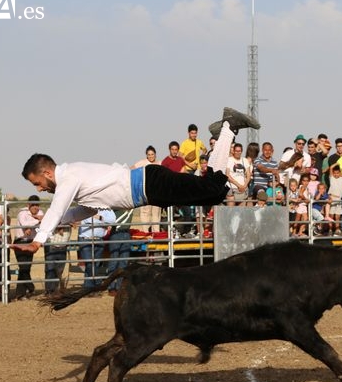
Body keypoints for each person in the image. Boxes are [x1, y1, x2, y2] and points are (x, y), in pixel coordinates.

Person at [14, 107, 261, 255]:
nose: (38, 189)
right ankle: (224, 131)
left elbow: (58, 207)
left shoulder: (68, 178)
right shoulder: (74, 180)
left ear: (47, 173)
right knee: (215, 193)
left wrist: (38, 240)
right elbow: (85, 209)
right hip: (149, 188)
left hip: (150, 184)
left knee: (214, 189)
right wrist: (51, 223)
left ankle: (228, 127)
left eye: (37, 183)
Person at [14, 195, 44, 299]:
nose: (35, 207)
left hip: (31, 243)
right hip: (20, 241)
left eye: (37, 205)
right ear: (28, 205)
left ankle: (20, 293)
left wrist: (38, 221)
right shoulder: (22, 213)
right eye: (33, 205)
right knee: (24, 267)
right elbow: (24, 223)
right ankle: (31, 287)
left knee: (26, 267)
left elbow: (44, 224)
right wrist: (38, 221)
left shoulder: (40, 213)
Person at [78, 209, 115, 291]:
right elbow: (89, 220)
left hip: (99, 240)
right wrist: (104, 223)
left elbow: (112, 220)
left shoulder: (107, 209)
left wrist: (99, 217)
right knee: (90, 264)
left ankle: (90, 288)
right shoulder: (86, 208)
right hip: (86, 239)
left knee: (96, 264)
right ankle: (96, 284)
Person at [131, 146, 162, 234]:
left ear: (155, 155)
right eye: (149, 155)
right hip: (145, 191)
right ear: (146, 156)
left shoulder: (160, 163)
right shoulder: (142, 162)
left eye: (152, 154)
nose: (151, 156)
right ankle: (145, 232)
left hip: (157, 192)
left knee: (156, 213)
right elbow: (131, 169)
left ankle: (156, 233)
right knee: (145, 212)